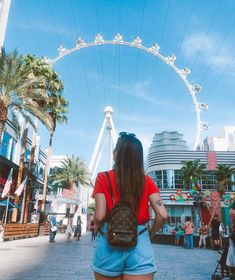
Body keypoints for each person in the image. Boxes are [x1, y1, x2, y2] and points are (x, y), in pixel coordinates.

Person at [92, 132, 168, 280]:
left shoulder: (103, 178)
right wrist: (149, 234)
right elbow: (163, 215)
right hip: (139, 241)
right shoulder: (147, 181)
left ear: (117, 154)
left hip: (108, 241)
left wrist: (97, 228)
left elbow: (100, 215)